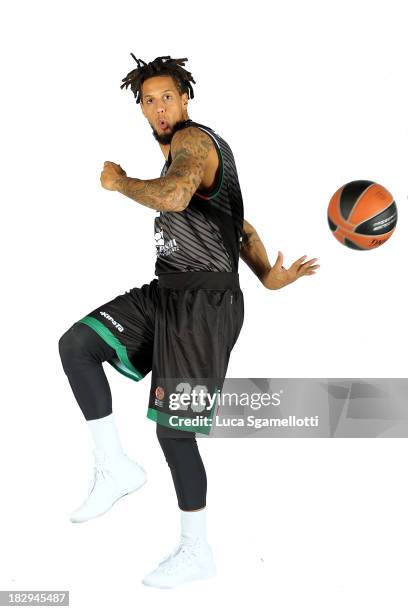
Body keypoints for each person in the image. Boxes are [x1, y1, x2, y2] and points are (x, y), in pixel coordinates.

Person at [58, 54, 319, 589]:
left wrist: (121, 182)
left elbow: (175, 197)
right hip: (167, 292)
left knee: (174, 433)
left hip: (205, 307)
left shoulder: (192, 142)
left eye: (166, 97)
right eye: (148, 100)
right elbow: (234, 223)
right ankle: (114, 467)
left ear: (185, 99)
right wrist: (268, 274)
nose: (158, 107)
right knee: (78, 344)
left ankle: (196, 551)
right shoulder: (188, 153)